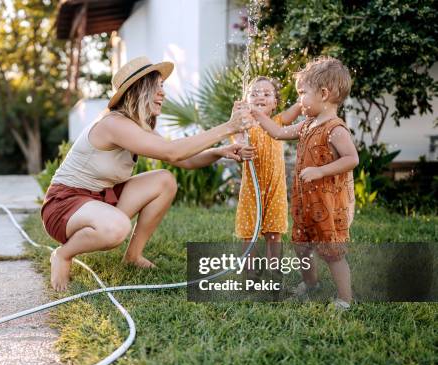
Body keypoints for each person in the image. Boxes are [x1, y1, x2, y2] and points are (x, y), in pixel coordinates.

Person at [41, 56, 256, 291]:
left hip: (99, 198)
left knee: (164, 180)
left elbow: (185, 160)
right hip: (65, 205)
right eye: (158, 86)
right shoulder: (114, 124)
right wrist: (229, 127)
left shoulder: (137, 127)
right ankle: (63, 255)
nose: (163, 93)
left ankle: (133, 256)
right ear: (139, 89)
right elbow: (172, 152)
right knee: (116, 228)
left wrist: (220, 152)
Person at [248, 56, 358, 309]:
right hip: (305, 202)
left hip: (328, 205)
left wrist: (320, 171)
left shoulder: (335, 129)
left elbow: (352, 159)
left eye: (302, 94)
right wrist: (256, 114)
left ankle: (344, 298)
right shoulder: (307, 124)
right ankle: (311, 284)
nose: (299, 101)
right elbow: (278, 132)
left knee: (332, 252)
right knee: (302, 246)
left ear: (323, 93)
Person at [232, 76, 301, 274]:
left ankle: (273, 271)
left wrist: (307, 93)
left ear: (275, 103)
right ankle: (250, 273)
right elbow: (236, 144)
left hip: (275, 189)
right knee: (249, 234)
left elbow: (297, 108)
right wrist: (236, 123)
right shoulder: (244, 126)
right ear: (246, 100)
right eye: (254, 93)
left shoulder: (278, 122)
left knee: (274, 232)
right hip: (251, 190)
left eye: (266, 94)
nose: (260, 96)